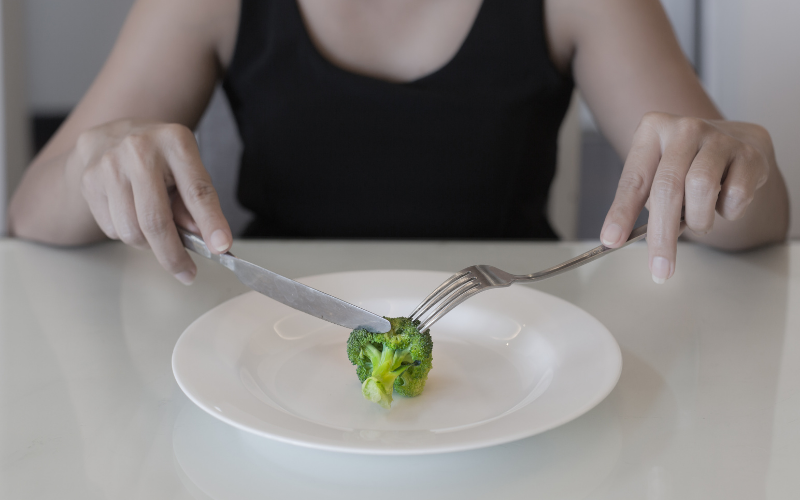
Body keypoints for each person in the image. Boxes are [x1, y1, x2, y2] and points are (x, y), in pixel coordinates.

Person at [8, 0, 790, 286]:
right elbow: (32, 212)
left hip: (524, 344)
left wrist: (736, 165)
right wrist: (92, 168)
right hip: (271, 345)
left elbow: (760, 224)